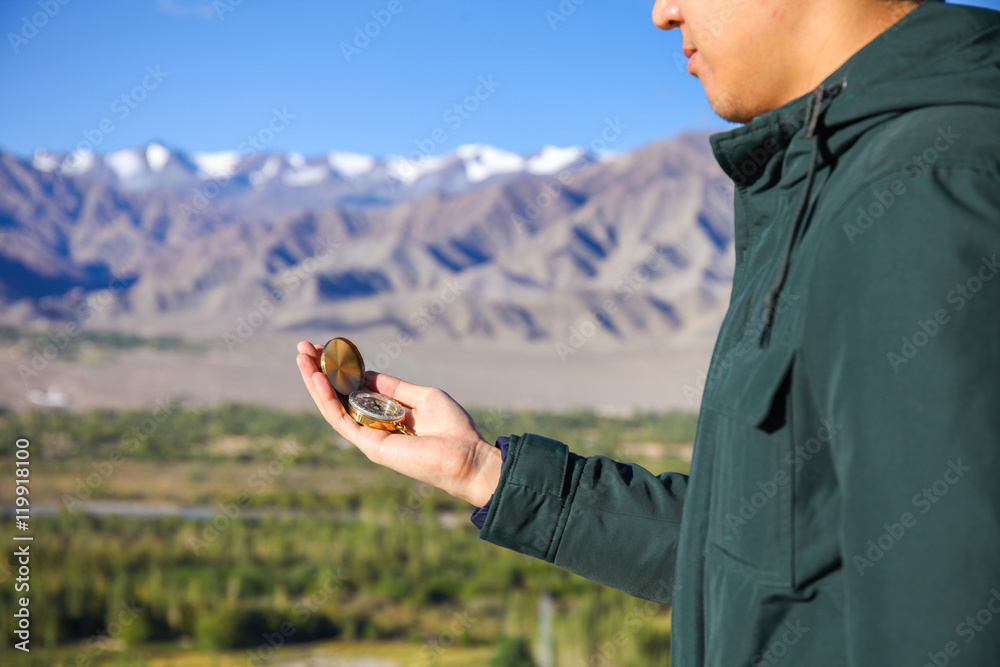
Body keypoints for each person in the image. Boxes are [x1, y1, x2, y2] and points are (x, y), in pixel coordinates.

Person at [296, 0, 1000, 663]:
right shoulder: (838, 181)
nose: (662, 12)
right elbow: (756, 555)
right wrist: (484, 470)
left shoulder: (924, 190)